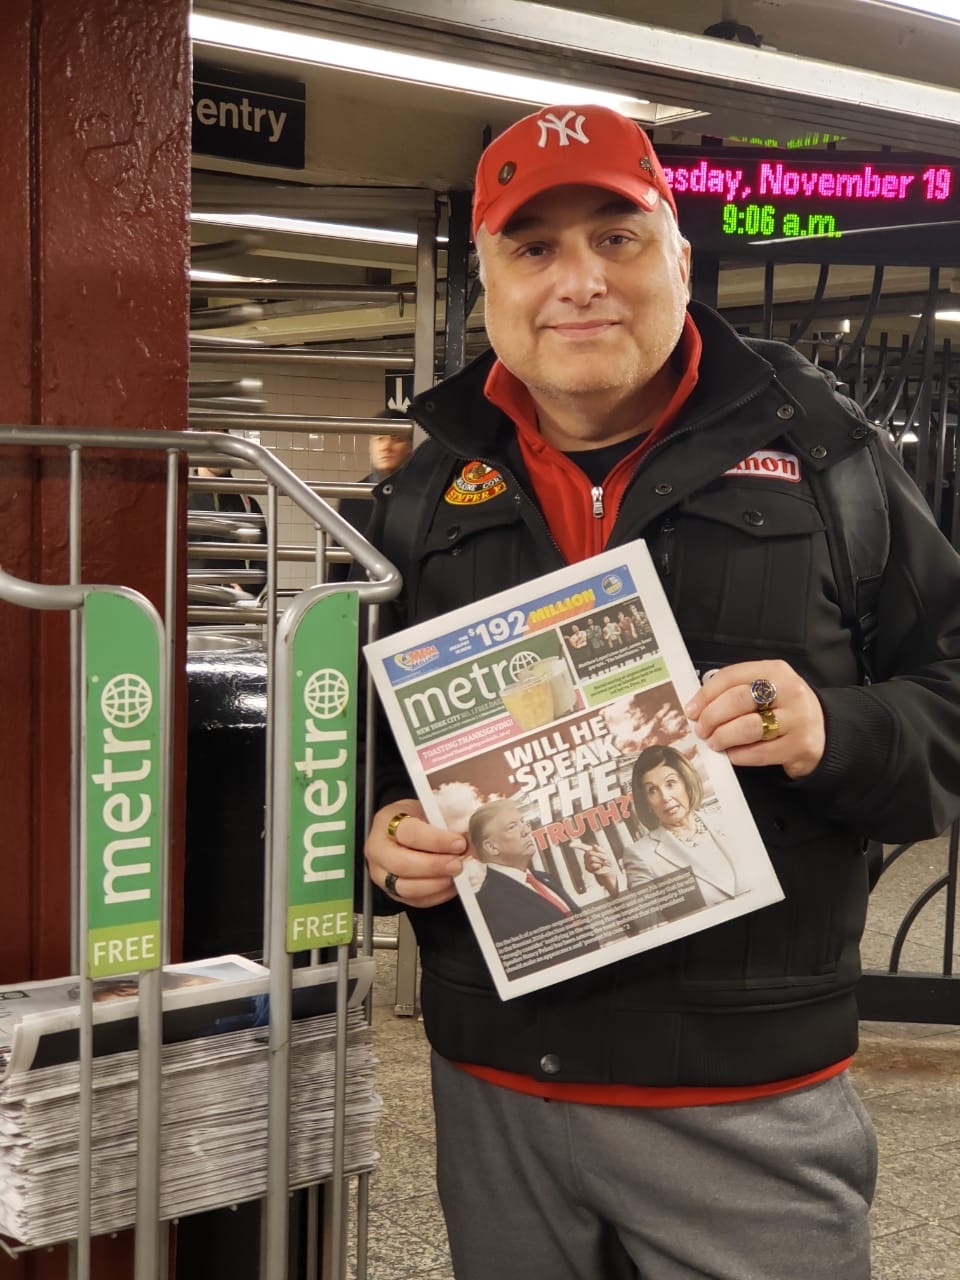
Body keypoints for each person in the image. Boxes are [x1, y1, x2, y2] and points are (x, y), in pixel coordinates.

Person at [362, 103, 960, 1280]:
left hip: (749, 1100)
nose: (578, 280)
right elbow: (348, 758)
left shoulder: (829, 457)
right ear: (488, 283)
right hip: (497, 1093)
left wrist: (833, 726)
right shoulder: (426, 492)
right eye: (534, 247)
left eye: (617, 237)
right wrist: (379, 836)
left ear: (680, 255)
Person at [586, 745, 737, 911]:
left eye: (670, 783)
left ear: (687, 784)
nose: (665, 797)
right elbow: (647, 919)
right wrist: (610, 880)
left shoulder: (729, 820)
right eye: (652, 790)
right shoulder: (640, 855)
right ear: (647, 802)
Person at [468, 800, 583, 941]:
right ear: (492, 847)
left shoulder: (546, 879)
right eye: (512, 827)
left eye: (523, 822)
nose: (527, 831)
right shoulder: (487, 903)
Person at [329, 411, 413, 581]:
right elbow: (338, 568)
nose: (386, 446)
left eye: (396, 438)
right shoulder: (351, 498)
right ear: (370, 446)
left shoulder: (423, 495)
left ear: (409, 446)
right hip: (362, 597)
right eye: (379, 438)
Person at [188, 432, 266, 596]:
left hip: (231, 607)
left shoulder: (248, 505)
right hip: (188, 605)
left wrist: (245, 589)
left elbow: (263, 560)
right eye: (214, 448)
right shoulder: (179, 499)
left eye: (226, 449)